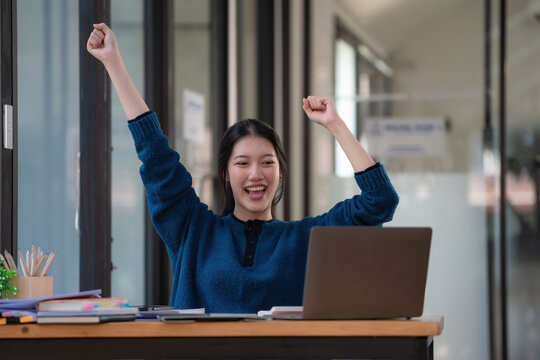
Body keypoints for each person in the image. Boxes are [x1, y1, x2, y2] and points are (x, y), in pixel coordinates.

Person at [87, 23, 399, 313]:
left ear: (280, 173)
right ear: (225, 173)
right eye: (242, 163)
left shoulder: (305, 240)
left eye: (267, 162)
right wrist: (113, 63)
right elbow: (156, 157)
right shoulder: (193, 230)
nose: (255, 173)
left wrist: (336, 125)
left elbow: (380, 201)